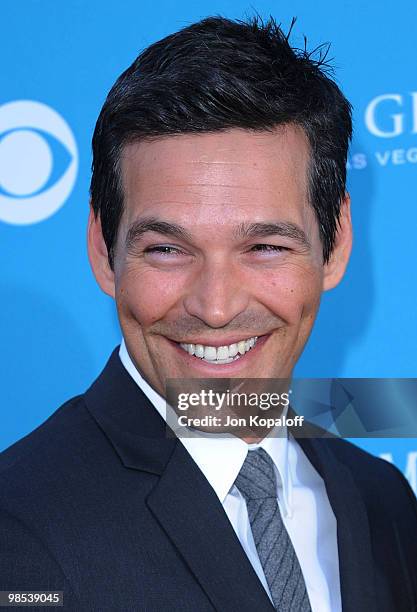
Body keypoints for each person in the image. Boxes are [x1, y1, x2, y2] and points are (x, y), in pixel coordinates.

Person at [1, 15, 416, 612]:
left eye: (265, 248)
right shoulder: (17, 532)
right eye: (167, 250)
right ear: (102, 250)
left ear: (337, 242)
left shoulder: (384, 503)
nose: (215, 307)